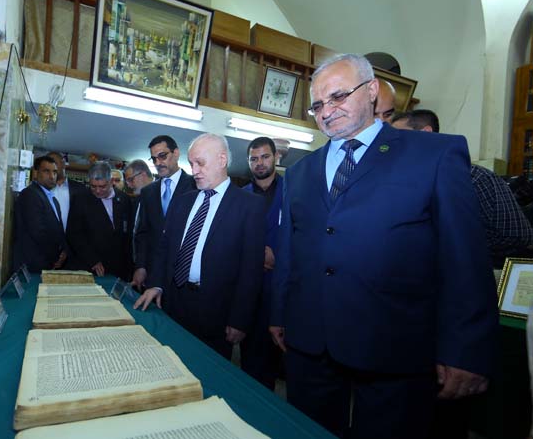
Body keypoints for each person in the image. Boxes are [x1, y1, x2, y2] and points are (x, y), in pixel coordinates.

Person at [270, 53, 498, 439]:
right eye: (318, 105)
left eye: (339, 96)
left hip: (395, 347)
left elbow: (464, 260)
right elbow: (290, 250)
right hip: (311, 343)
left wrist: (466, 350)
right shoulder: (299, 172)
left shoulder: (434, 155)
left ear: (372, 90)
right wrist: (279, 313)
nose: (327, 111)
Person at [134, 133, 265, 359]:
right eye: (191, 163)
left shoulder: (249, 206)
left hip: (216, 312)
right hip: (173, 302)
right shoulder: (183, 201)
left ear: (222, 160)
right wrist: (156, 285)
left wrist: (240, 319)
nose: (194, 171)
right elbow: (165, 248)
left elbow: (251, 270)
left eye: (200, 163)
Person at [392, 109, 533, 267]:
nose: (392, 144)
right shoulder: (405, 181)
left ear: (426, 133)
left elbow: (518, 237)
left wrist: (457, 245)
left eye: (400, 136)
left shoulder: (475, 178)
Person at [240, 136, 285, 389]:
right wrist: (257, 254)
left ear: (276, 157)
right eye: (254, 159)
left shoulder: (293, 192)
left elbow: (305, 235)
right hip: (250, 290)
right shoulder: (240, 196)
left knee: (276, 361)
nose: (260, 163)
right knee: (250, 361)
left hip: (282, 289)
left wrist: (278, 255)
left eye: (265, 157)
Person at [132, 135, 196, 289]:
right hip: (153, 272)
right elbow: (143, 233)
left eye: (162, 156)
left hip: (182, 273)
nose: (157, 163)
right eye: (154, 159)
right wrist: (141, 266)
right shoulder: (148, 192)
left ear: (176, 153)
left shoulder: (195, 186)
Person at [67, 161, 133, 280]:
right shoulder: (80, 199)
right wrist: (93, 260)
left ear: (111, 181)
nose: (97, 191)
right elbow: (74, 234)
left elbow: (127, 234)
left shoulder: (124, 199)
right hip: (91, 265)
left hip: (119, 267)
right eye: (93, 186)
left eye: (102, 186)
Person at [12, 156, 68, 272]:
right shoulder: (30, 194)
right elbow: (38, 232)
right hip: (32, 265)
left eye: (54, 172)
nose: (52, 176)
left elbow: (58, 231)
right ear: (36, 173)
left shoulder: (53, 200)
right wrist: (56, 256)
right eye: (46, 171)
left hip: (48, 263)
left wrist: (63, 251)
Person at [47, 151, 89, 232]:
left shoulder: (80, 189)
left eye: (54, 163)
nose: (51, 169)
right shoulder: (41, 190)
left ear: (63, 164)